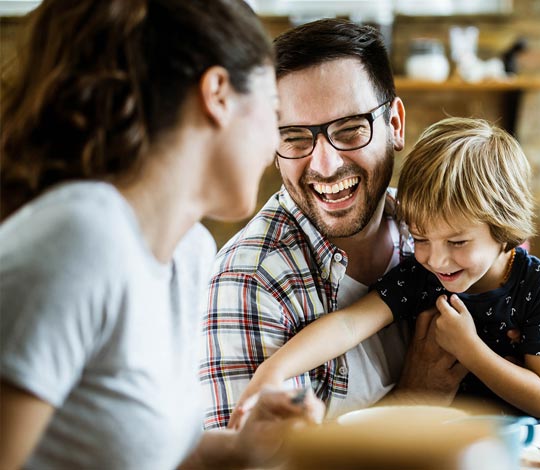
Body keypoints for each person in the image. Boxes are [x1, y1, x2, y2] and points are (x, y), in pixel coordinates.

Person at [201, 18, 540, 429]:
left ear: (395, 125)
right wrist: (419, 398)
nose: (326, 165)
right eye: (294, 137)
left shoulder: (429, 222)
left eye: (350, 130)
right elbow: (260, 459)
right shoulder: (250, 281)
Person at [0, 1, 323, 469]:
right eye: (274, 108)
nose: (275, 140)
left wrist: (242, 449)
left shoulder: (188, 254)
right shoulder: (80, 240)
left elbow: (144, 453)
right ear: (218, 94)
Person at [236, 117, 540, 421]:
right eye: (420, 238)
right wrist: (274, 370)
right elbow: (348, 324)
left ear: (505, 229)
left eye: (458, 242)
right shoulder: (421, 278)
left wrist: (468, 348)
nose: (436, 260)